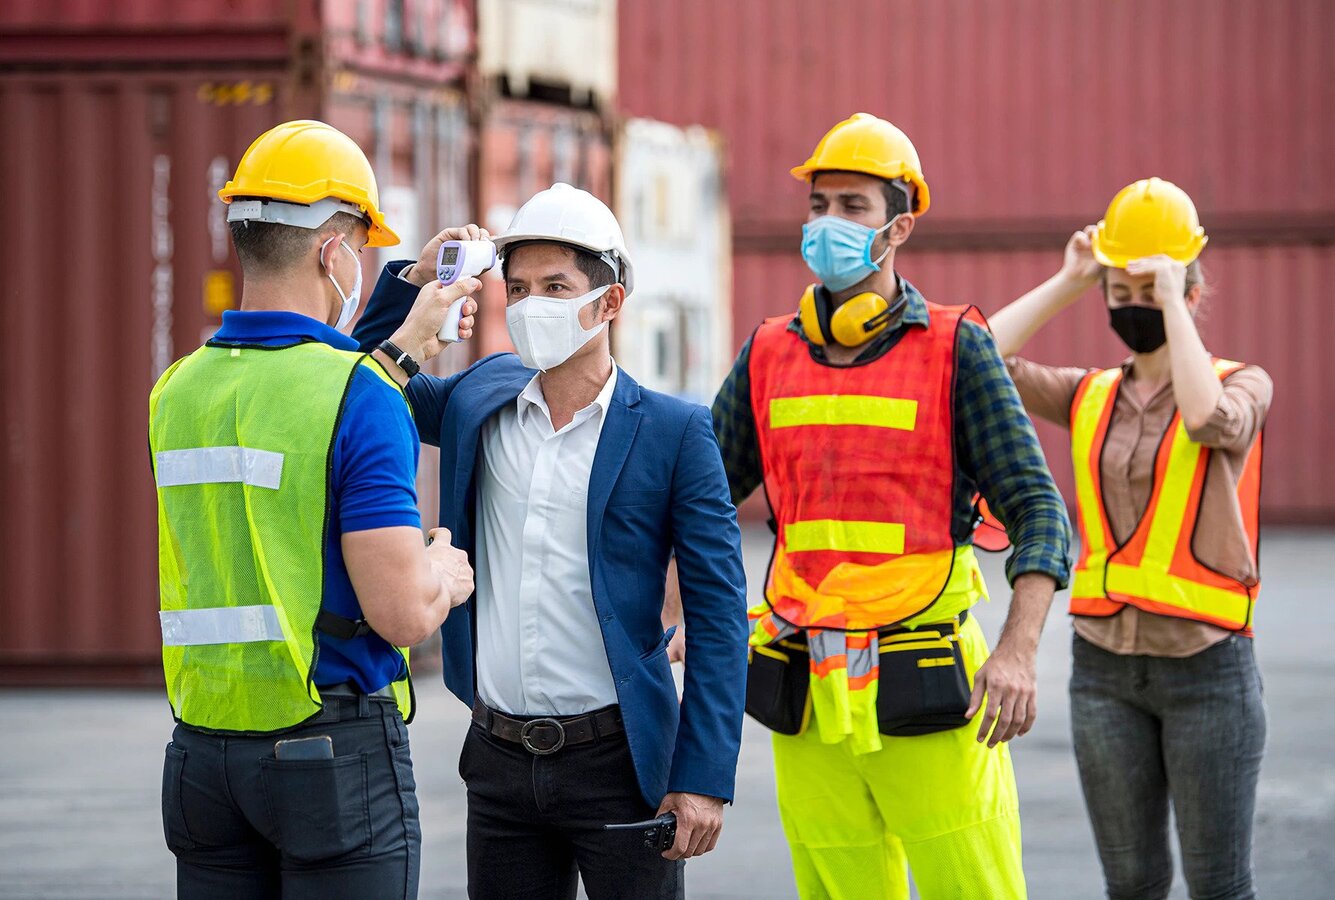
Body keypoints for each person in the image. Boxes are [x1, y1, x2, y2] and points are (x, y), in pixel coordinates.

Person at [708, 112, 1071, 899]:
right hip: (804, 695)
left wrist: (1015, 653)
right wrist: (681, 601)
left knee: (969, 886)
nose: (827, 224)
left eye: (851, 207)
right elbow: (699, 495)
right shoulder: (769, 351)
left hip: (930, 689)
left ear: (898, 225)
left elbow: (1040, 510)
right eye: (818, 206)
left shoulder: (955, 349)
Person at [352, 183, 749, 899]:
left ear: (609, 303)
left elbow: (720, 618)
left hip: (622, 765)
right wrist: (415, 279)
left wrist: (703, 777)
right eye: (520, 286)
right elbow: (367, 378)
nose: (532, 304)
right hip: (499, 763)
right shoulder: (479, 397)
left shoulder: (673, 432)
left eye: (556, 286)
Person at [149, 119, 479, 899]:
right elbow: (400, 614)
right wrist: (444, 568)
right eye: (358, 251)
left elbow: (301, 414)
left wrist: (399, 321)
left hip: (202, 759)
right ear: (333, 251)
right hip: (328, 760)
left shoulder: (177, 388)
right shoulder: (358, 393)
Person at [989, 177, 1270, 900]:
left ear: (1189, 288)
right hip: (1103, 674)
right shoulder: (1088, 393)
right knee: (1132, 884)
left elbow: (1209, 422)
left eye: (1148, 287)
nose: (1131, 303)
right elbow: (977, 357)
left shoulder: (1242, 383)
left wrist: (1169, 296)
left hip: (1207, 671)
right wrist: (1070, 278)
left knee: (1217, 885)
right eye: (1120, 289)